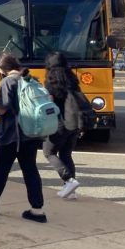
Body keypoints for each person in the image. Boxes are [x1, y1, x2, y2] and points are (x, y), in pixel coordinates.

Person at [0, 53, 46, 223]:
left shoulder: (7, 81)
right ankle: (37, 210)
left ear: (1, 68)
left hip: (12, 134)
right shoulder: (31, 79)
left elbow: (1, 109)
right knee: (30, 171)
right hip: (31, 133)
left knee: (1, 169)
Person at [43, 52, 83, 200]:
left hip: (59, 123)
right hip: (73, 123)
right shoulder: (72, 79)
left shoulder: (51, 81)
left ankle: (69, 181)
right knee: (66, 154)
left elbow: (49, 104)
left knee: (49, 152)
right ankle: (71, 191)